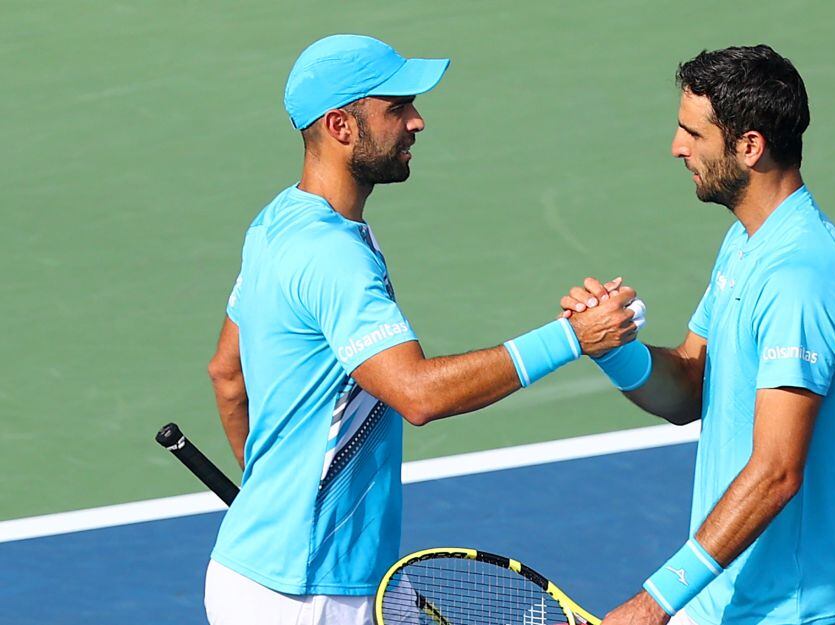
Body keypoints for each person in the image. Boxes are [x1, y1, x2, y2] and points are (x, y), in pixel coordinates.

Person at [204, 34, 641, 625]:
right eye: (396, 108)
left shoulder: (276, 224)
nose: (417, 121)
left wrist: (271, 503)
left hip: (257, 570)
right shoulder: (334, 257)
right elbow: (416, 392)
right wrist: (571, 338)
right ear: (340, 126)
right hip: (311, 595)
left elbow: (227, 375)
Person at [561, 45, 835, 625]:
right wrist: (614, 350)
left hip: (785, 612)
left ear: (748, 147)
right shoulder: (747, 243)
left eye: (693, 134)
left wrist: (656, 599)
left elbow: (777, 470)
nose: (677, 148)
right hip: (719, 604)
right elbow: (688, 388)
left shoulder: (802, 276)